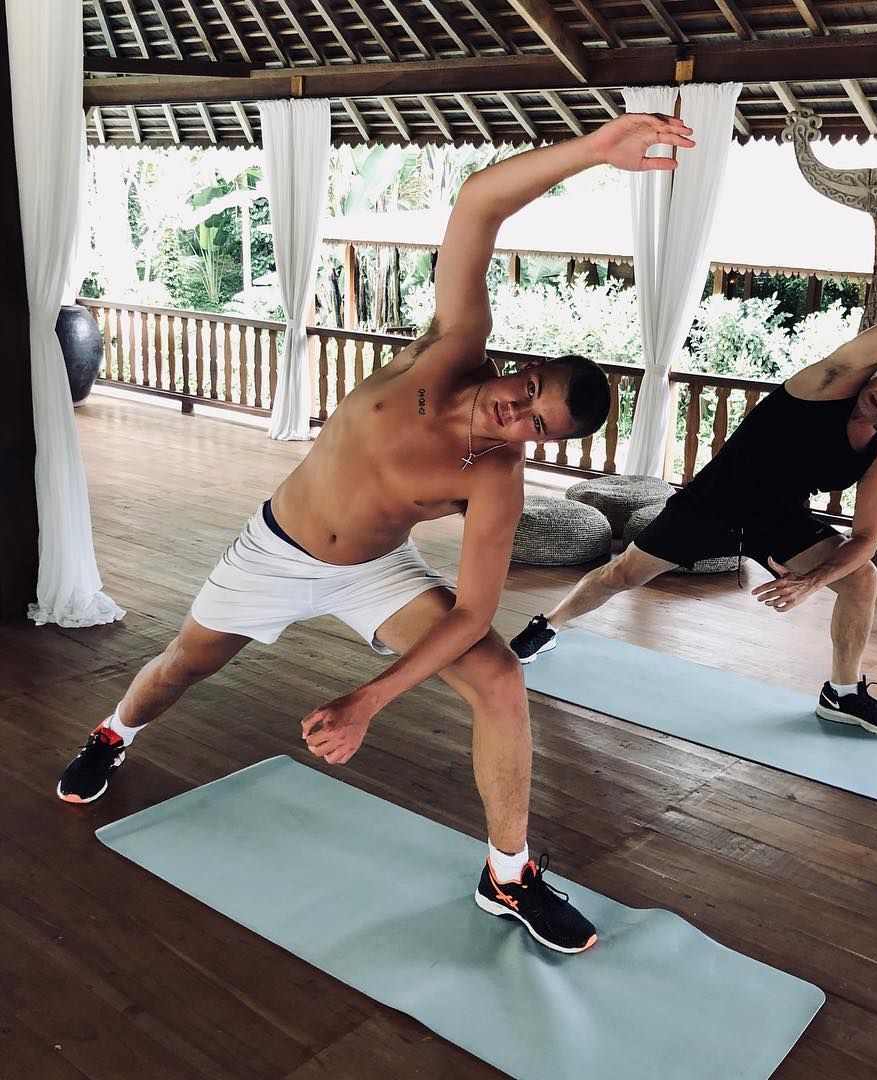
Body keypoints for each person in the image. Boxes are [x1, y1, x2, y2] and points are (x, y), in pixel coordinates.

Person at [58, 112, 697, 955]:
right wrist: (591, 152)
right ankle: (114, 735)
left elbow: (472, 615)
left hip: (375, 569)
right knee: (182, 665)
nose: (518, 413)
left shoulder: (495, 479)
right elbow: (477, 205)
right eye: (531, 387)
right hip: (275, 550)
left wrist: (370, 699)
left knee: (500, 678)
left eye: (537, 427)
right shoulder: (450, 347)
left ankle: (509, 874)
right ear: (523, 364)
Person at [510, 294, 877, 736]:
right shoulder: (827, 382)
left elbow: (868, 538)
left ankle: (843, 692)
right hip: (711, 503)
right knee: (621, 576)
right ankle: (546, 626)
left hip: (776, 520)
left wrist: (814, 580)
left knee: (864, 577)